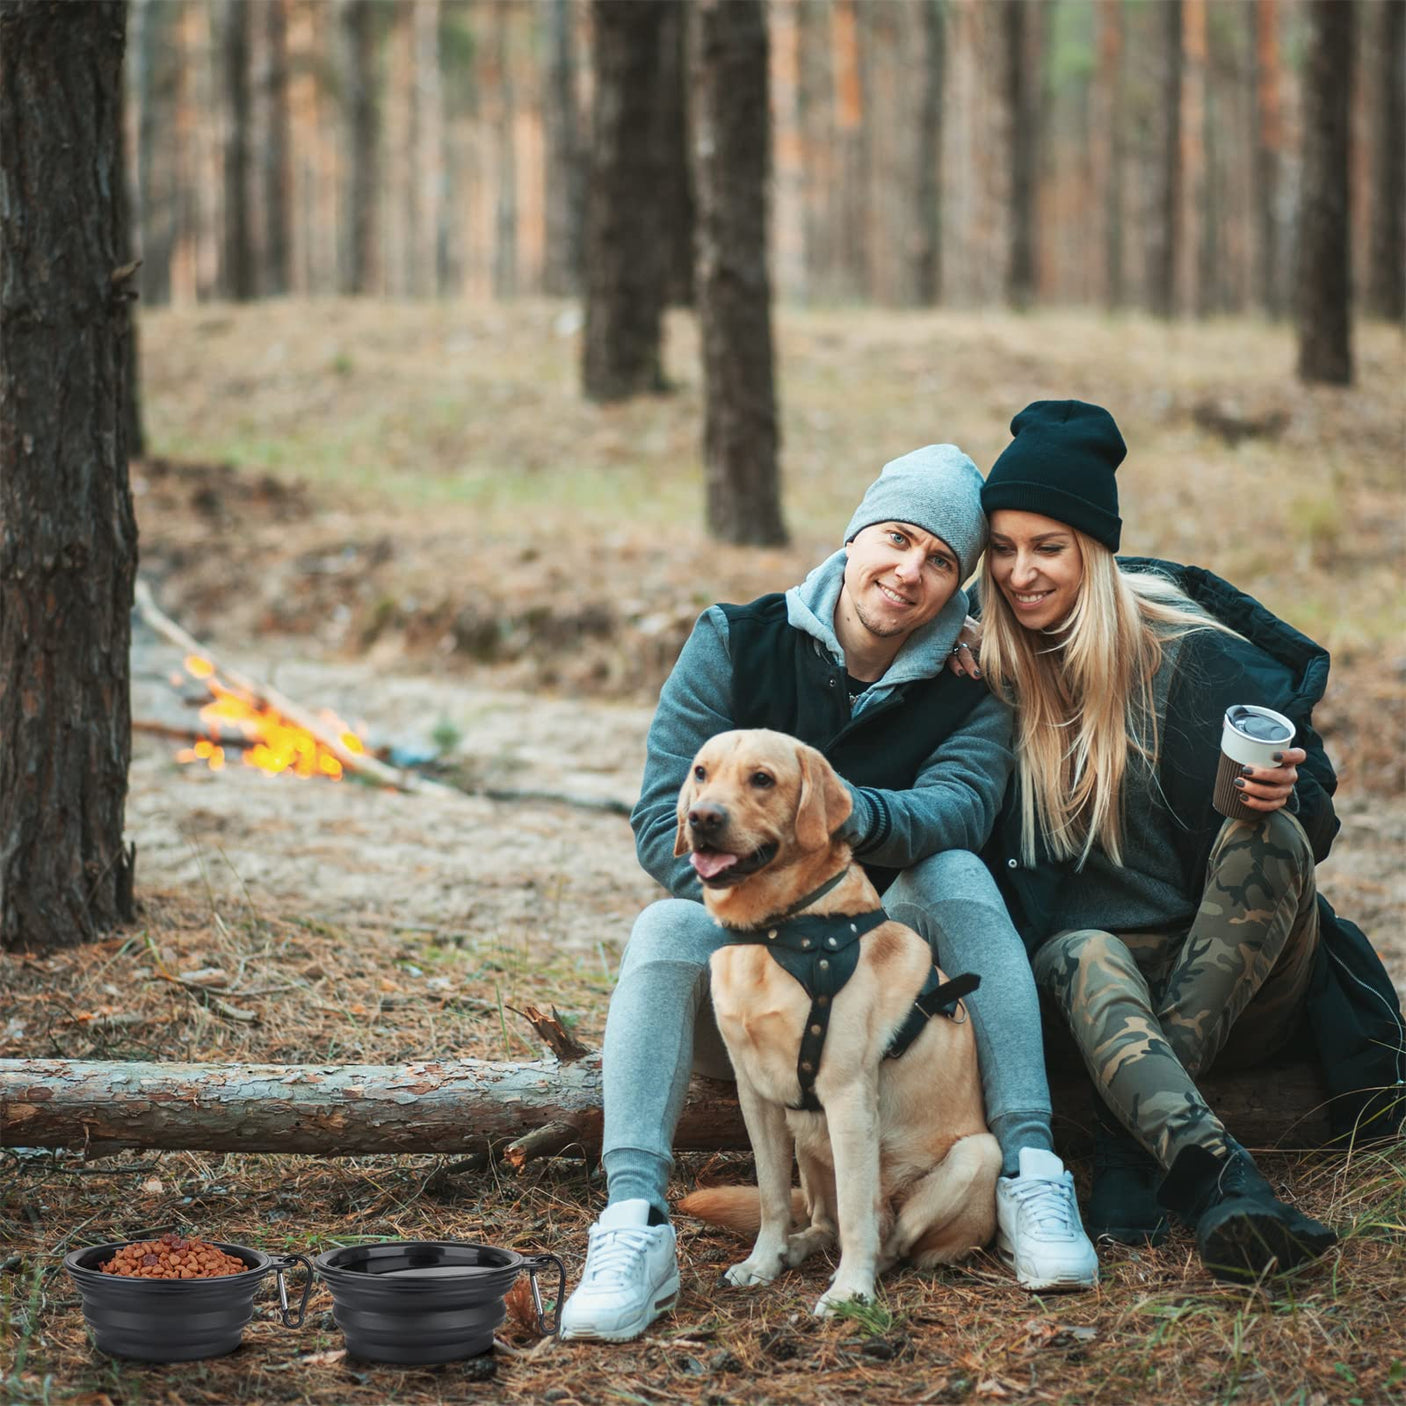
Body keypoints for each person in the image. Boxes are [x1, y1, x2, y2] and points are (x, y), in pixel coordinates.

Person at [559, 445, 1098, 1343]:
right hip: (753, 1004)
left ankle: (1030, 1172)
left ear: (961, 588)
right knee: (663, 925)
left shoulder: (975, 686)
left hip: (890, 1017)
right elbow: (665, 820)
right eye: (896, 538)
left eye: (941, 562)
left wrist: (818, 806)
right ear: (855, 536)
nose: (908, 572)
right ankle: (633, 1222)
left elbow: (956, 811)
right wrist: (773, 880)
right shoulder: (735, 638)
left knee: (957, 871)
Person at [974, 399, 1405, 1282]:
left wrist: (1291, 790)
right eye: (1004, 548)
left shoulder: (1187, 653)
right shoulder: (984, 674)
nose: (1021, 573)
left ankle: (1134, 1147)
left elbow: (1312, 803)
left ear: (1093, 549)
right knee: (1084, 947)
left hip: (1237, 983)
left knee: (1270, 836)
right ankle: (1219, 1182)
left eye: (1047, 547)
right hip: (1093, 996)